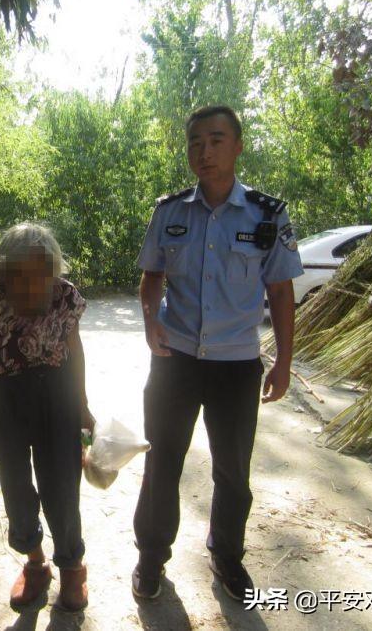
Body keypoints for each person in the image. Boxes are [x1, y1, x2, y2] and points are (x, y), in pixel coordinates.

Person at [131, 105, 304, 601]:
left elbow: (281, 292)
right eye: (194, 143)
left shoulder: (268, 215)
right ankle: (151, 557)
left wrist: (284, 362)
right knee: (161, 462)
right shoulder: (169, 211)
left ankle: (226, 556)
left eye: (215, 140)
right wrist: (149, 323)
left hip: (236, 365)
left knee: (232, 471)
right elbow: (151, 277)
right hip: (174, 363)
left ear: (237, 146)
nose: (203, 152)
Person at [0, 223, 95, 612]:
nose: (30, 287)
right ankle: (35, 563)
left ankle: (72, 567)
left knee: (62, 489)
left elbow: (74, 351)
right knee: (15, 488)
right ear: (3, 275)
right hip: (6, 399)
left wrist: (82, 405)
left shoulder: (64, 296)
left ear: (52, 274)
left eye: (39, 277)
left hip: (58, 396)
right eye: (19, 278)